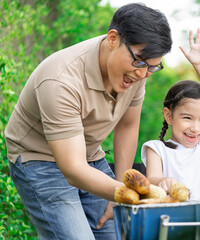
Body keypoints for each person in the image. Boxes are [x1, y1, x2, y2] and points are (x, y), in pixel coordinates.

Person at [4, 3, 172, 239]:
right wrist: (132, 193)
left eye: (153, 67)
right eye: (141, 63)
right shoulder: (60, 80)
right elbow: (73, 169)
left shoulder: (137, 70)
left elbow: (128, 125)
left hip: (90, 154)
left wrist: (120, 189)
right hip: (40, 160)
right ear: (113, 39)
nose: (144, 74)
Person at [141, 29, 200, 200]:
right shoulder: (157, 149)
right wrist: (163, 181)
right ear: (168, 116)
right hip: (177, 223)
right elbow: (152, 179)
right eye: (187, 118)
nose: (195, 128)